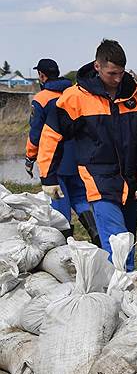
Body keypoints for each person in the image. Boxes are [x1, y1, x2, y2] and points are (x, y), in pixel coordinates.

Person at [37, 40, 137, 270]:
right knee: (119, 249)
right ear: (97, 66)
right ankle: (120, 295)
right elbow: (51, 135)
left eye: (121, 73)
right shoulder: (76, 97)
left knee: (128, 243)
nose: (117, 79)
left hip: (131, 183)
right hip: (99, 181)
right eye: (112, 73)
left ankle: (118, 291)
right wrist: (48, 177)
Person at [25, 58, 100, 245]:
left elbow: (36, 133)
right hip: (77, 156)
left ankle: (65, 244)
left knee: (58, 200)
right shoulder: (73, 93)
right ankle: (95, 232)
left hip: (54, 159)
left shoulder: (41, 99)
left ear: (42, 76)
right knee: (80, 197)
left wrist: (30, 157)